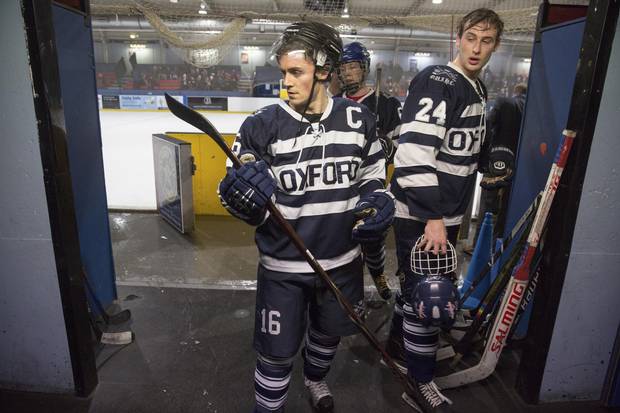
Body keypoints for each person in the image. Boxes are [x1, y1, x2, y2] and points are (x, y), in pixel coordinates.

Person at [217, 21, 394, 413]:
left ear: (325, 70)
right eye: (283, 73)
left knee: (328, 336)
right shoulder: (261, 125)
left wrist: (377, 203)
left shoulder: (358, 120)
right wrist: (240, 198)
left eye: (295, 72)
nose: (286, 82)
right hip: (283, 268)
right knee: (276, 355)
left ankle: (314, 379)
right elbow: (234, 187)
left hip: (342, 263)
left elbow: (371, 179)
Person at [386, 8, 504, 411]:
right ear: (458, 38)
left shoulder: (476, 86)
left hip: (446, 212)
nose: (477, 48)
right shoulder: (439, 81)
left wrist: (487, 165)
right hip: (424, 215)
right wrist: (432, 219)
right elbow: (414, 154)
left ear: (496, 46)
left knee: (414, 292)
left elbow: (462, 147)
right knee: (430, 298)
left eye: (486, 41)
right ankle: (418, 384)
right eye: (471, 37)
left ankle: (399, 349)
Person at [336, 41, 403, 300]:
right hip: (340, 186)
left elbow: (401, 143)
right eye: (343, 67)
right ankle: (349, 292)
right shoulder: (332, 104)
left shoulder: (386, 104)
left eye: (353, 66)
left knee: (372, 237)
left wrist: (387, 145)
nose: (348, 72)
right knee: (343, 242)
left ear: (364, 69)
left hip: (371, 183)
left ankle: (377, 274)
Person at [477, 82, 527, 240]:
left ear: (515, 91)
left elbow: (488, 124)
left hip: (498, 157)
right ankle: (497, 243)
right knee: (507, 204)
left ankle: (479, 243)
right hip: (521, 162)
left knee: (488, 203)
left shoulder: (504, 102)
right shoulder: (530, 107)